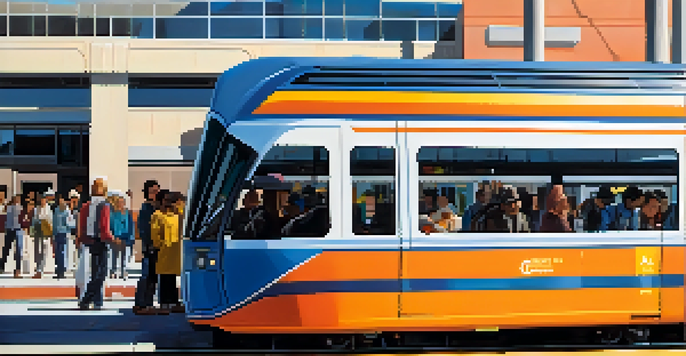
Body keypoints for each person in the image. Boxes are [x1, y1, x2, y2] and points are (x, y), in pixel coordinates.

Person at [77, 177, 118, 311]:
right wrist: (112, 239)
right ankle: (87, 299)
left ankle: (97, 300)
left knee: (95, 272)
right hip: (101, 240)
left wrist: (81, 238)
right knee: (101, 273)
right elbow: (105, 226)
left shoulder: (86, 205)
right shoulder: (105, 205)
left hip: (90, 240)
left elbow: (81, 224)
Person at [152, 191, 185, 314]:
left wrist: (180, 209)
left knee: (173, 278)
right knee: (165, 277)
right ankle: (165, 302)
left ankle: (174, 301)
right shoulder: (158, 215)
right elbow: (155, 233)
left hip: (175, 251)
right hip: (165, 251)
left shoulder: (177, 216)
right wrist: (159, 245)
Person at [133, 180, 162, 315]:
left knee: (153, 276)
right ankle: (141, 303)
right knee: (147, 275)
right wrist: (149, 243)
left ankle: (148, 303)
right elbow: (143, 228)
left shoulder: (158, 207)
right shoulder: (146, 208)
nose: (155, 194)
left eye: (157, 191)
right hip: (150, 246)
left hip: (158, 247)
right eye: (153, 192)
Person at [110, 191, 134, 280]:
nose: (120, 204)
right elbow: (112, 224)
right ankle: (113, 270)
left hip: (126, 236)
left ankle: (123, 270)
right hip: (116, 236)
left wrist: (131, 237)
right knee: (115, 254)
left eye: (122, 202)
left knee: (124, 254)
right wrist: (114, 236)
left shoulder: (128, 213)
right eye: (119, 202)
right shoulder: (114, 213)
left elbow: (131, 225)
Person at [0, 195, 23, 278]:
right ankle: (2, 266)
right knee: (7, 249)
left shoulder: (19, 208)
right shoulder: (10, 208)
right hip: (11, 229)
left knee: (18, 250)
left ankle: (17, 269)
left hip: (17, 229)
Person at [32, 194, 53, 279]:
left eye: (44, 200)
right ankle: (37, 268)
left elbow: (50, 220)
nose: (42, 202)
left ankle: (41, 269)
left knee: (43, 250)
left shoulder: (49, 209)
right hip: (38, 230)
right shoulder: (37, 209)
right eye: (41, 200)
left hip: (45, 231)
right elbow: (34, 219)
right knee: (37, 249)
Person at [52, 195, 71, 279]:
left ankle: (62, 270)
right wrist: (53, 233)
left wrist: (68, 230)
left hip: (64, 233)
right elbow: (54, 222)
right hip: (57, 233)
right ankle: (58, 269)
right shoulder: (56, 210)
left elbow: (69, 223)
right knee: (57, 252)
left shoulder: (67, 211)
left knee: (63, 252)